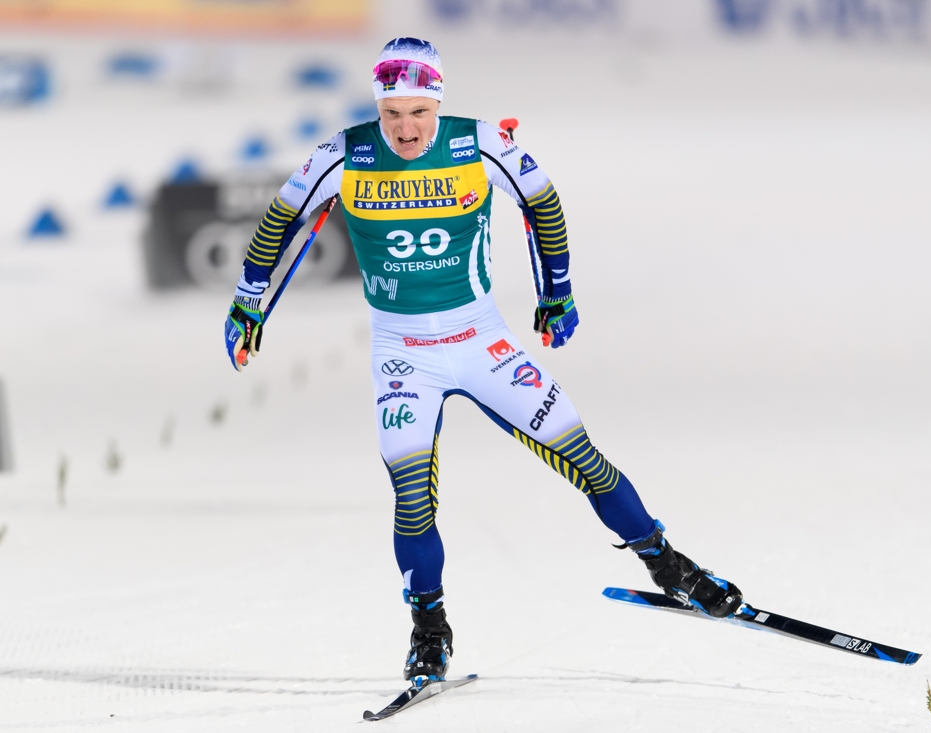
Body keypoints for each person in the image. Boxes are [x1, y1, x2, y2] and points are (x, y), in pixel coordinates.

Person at [223, 37, 742, 687]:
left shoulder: (481, 143)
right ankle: (429, 627)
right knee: (412, 501)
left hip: (480, 341)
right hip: (403, 352)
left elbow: (543, 203)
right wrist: (247, 303)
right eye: (392, 114)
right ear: (377, 108)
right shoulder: (343, 153)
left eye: (419, 111)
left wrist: (558, 293)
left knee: (586, 459)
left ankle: (670, 567)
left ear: (438, 101)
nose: (406, 129)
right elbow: (281, 219)